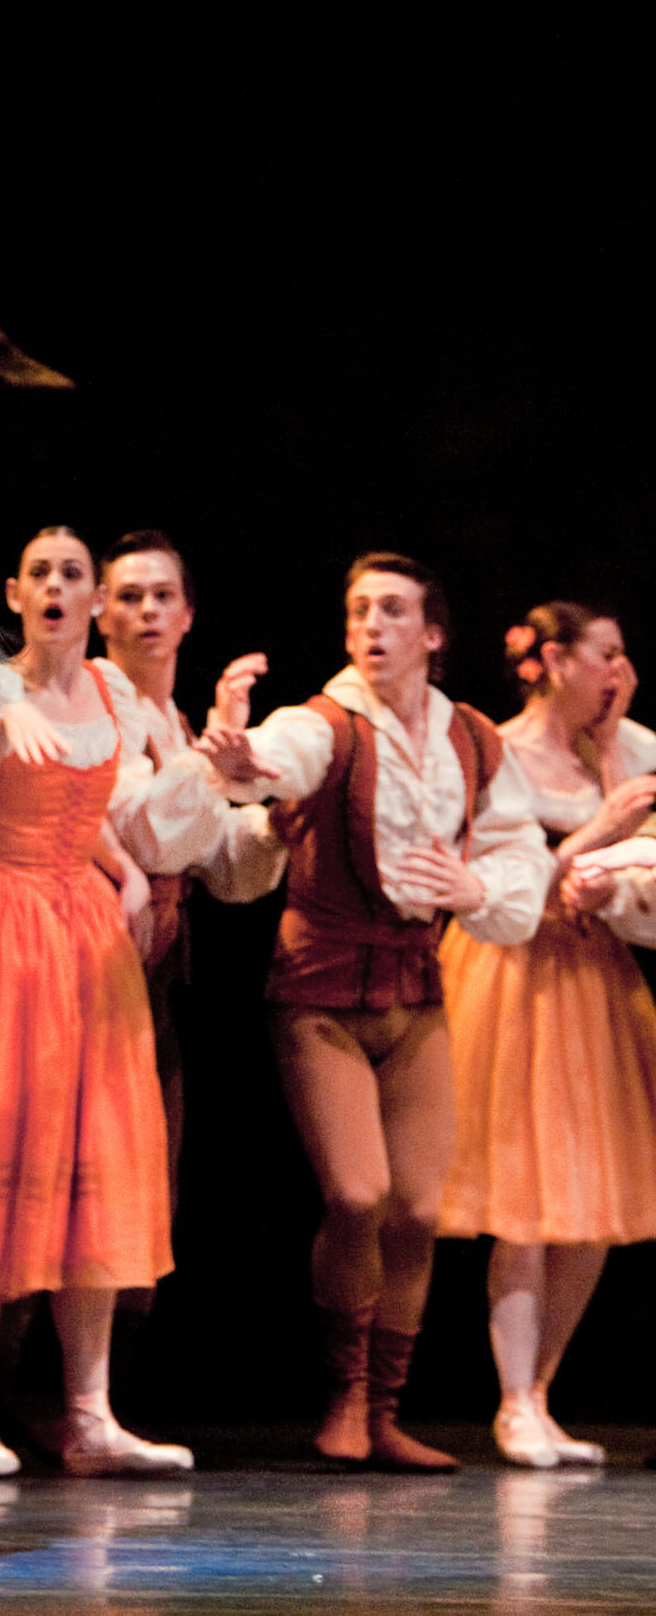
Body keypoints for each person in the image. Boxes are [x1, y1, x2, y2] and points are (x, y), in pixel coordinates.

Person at [203, 551, 550, 1470]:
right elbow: (280, 758)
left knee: (417, 1208)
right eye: (360, 609)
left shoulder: (472, 737)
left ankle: (387, 1408)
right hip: (319, 988)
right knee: (358, 1193)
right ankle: (345, 1395)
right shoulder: (329, 720)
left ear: (432, 634)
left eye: (393, 610)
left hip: (416, 990)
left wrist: (477, 885)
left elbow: (518, 847)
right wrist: (245, 764)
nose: (372, 625)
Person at [0, 526, 192, 1479]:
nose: (60, 587)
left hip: (88, 937)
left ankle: (88, 1412)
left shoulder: (115, 688)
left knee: (96, 1168)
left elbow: (100, 803)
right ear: (18, 595)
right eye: (43, 574)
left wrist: (128, 871)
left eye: (75, 574)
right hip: (0, 924)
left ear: (95, 599)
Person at [438, 605, 656, 1466]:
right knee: (525, 1200)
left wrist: (624, 883)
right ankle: (510, 1398)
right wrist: (594, 841)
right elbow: (501, 874)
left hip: (597, 981)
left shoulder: (631, 753)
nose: (618, 668)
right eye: (605, 652)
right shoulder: (497, 746)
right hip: (514, 974)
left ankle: (539, 1392)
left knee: (591, 1207)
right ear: (557, 659)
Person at [95, 531, 288, 1194]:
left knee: (150, 1160)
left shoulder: (171, 718)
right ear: (100, 610)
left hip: (160, 960)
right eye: (129, 595)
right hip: (99, 947)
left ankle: (123, 1301)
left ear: (188, 615)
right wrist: (212, 759)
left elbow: (214, 857)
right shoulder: (97, 697)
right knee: (98, 1161)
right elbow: (146, 834)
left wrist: (279, 822)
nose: (147, 609)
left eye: (162, 595)